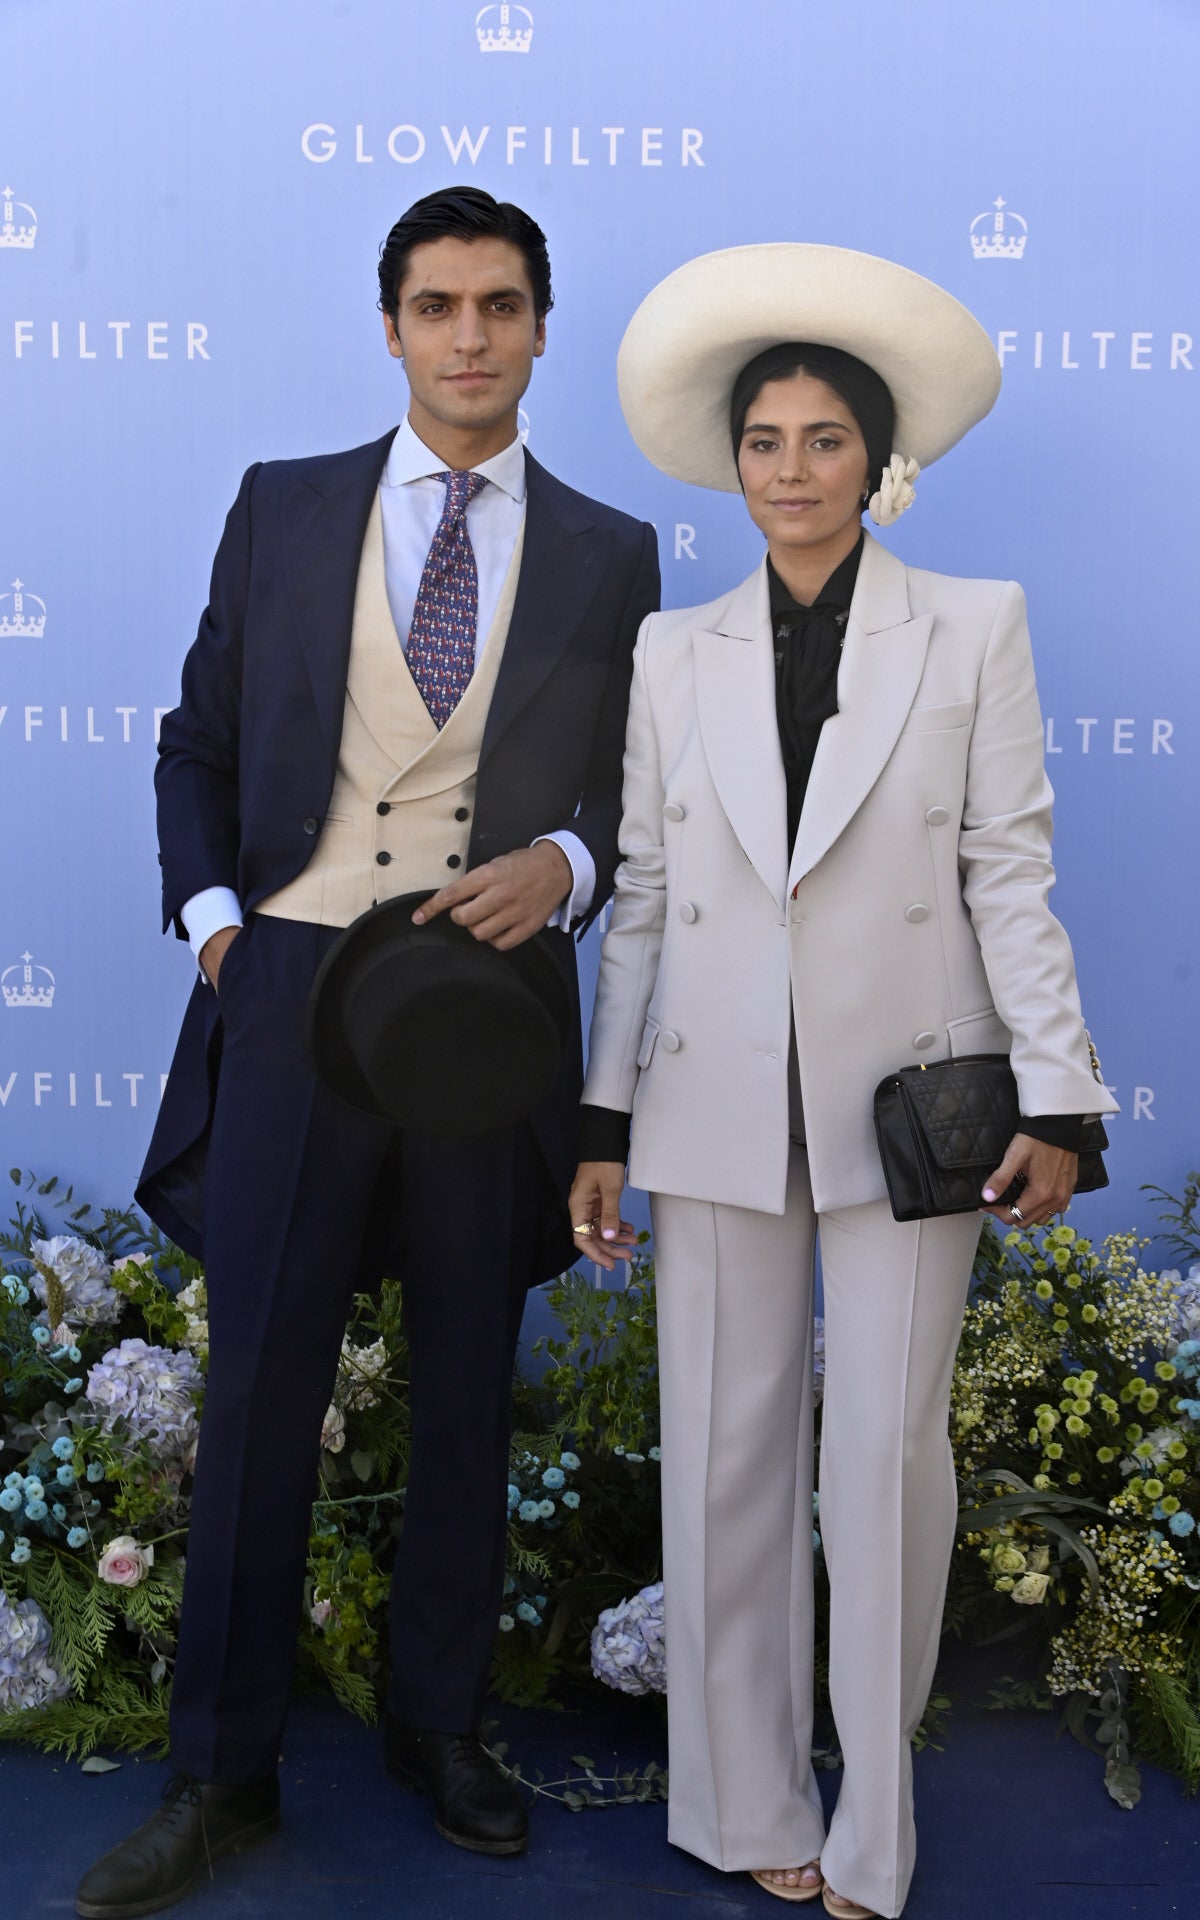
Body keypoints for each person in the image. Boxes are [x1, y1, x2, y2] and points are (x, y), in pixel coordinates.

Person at [75, 186, 658, 1919]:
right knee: (259, 1392)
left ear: (544, 327)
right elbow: (194, 745)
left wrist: (570, 867)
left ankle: (441, 1727)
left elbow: (638, 793)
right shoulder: (283, 509)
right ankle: (219, 1774)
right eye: (435, 306)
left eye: (498, 304)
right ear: (392, 328)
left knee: (473, 1377)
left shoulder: (615, 553)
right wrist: (216, 930)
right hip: (293, 988)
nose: (468, 336)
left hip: (486, 1017)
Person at [569, 244, 1116, 1919]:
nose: (791, 471)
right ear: (728, 461)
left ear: (877, 466)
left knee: (883, 1460)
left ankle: (877, 1827)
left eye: (824, 441)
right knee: (727, 1450)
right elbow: (648, 898)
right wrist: (604, 1117)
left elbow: (1009, 874)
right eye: (765, 440)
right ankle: (742, 1800)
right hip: (713, 1096)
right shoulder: (675, 651)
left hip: (918, 1107)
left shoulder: (974, 627)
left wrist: (1062, 1097)